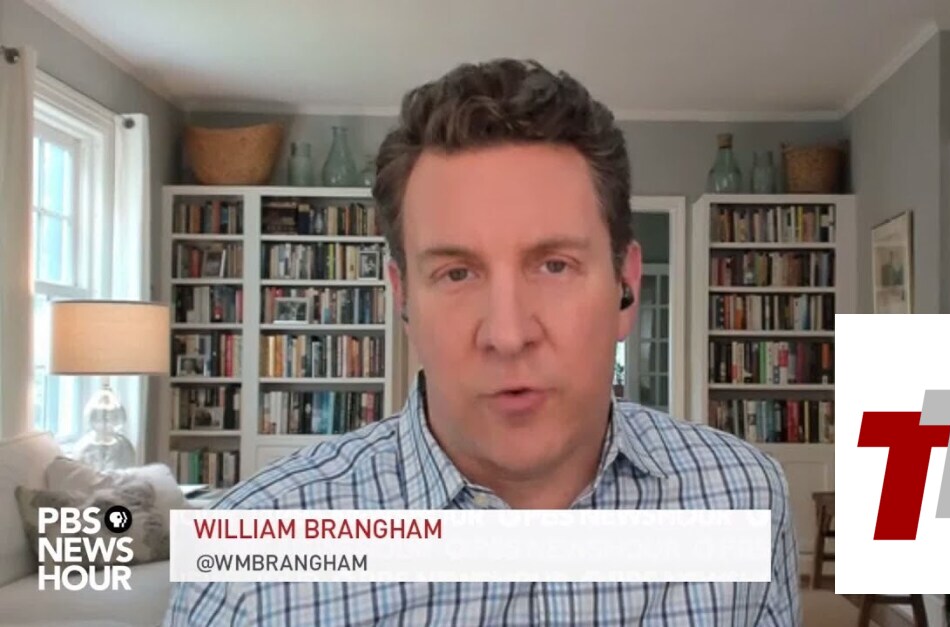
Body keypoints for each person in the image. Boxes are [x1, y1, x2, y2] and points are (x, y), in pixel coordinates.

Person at [164, 58, 800, 626]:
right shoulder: (249, 571)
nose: (508, 334)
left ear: (625, 287)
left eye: (555, 265)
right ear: (403, 299)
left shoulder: (745, 497)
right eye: (457, 273)